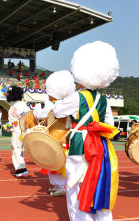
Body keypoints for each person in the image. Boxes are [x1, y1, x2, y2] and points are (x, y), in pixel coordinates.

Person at [53, 41, 119, 221]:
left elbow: (58, 111)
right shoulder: (104, 100)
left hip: (80, 146)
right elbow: (109, 125)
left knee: (76, 189)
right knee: (98, 186)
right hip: (101, 148)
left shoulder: (76, 97)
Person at [33, 70, 76, 197]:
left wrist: (37, 107)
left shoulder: (58, 105)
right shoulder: (62, 103)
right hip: (60, 136)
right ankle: (59, 185)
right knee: (56, 163)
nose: (48, 94)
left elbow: (40, 114)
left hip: (60, 137)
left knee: (60, 163)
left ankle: (64, 186)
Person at [6, 86, 29, 177]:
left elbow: (25, 116)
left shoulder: (19, 105)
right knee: (17, 148)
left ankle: (21, 168)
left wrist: (16, 124)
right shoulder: (17, 104)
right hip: (17, 129)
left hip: (19, 129)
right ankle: (20, 167)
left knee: (17, 148)